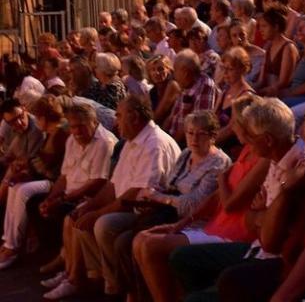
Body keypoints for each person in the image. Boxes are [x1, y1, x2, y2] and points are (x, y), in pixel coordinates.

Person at [171, 92, 305, 302]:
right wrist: (275, 201)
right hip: (286, 257)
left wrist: (281, 297)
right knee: (188, 264)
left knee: (224, 284)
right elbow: (270, 239)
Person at [131, 96, 270, 302]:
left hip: (233, 232)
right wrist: (183, 222)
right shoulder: (247, 151)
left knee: (151, 246)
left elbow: (230, 204)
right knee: (140, 240)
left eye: (235, 121)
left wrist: (222, 179)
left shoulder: (259, 157)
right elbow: (215, 198)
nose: (231, 127)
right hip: (215, 225)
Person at [43, 96, 181, 299]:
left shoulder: (154, 143)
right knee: (80, 216)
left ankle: (116, 287)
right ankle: (98, 279)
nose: (116, 120)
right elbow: (113, 184)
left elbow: (138, 193)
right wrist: (90, 206)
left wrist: (98, 212)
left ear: (134, 117)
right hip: (130, 206)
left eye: (119, 115)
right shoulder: (132, 141)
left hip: (151, 211)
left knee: (104, 223)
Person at [37, 103, 118, 294]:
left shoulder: (104, 143)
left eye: (81, 126)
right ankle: (67, 268)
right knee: (40, 204)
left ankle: (74, 277)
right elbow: (64, 176)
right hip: (71, 194)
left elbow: (98, 182)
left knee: (71, 219)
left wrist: (64, 198)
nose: (77, 131)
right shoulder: (72, 140)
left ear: (94, 122)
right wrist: (51, 198)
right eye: (73, 126)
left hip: (91, 196)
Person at [0, 96, 68, 268]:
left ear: (44, 118)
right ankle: (8, 242)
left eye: (37, 117)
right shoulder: (52, 133)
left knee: (23, 191)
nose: (35, 121)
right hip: (47, 176)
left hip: (56, 181)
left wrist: (25, 167)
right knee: (14, 186)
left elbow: (44, 164)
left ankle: (13, 247)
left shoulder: (58, 134)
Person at [165, 50, 216, 146]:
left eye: (175, 70)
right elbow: (173, 116)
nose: (173, 74)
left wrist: (171, 145)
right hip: (171, 137)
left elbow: (196, 125)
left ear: (185, 73)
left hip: (183, 144)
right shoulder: (186, 84)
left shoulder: (205, 86)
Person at [212, 47, 255, 153]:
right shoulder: (225, 91)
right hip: (216, 142)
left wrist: (208, 142)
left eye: (230, 69)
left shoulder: (246, 96)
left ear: (242, 69)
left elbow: (231, 129)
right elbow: (212, 117)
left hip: (230, 149)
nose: (225, 73)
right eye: (224, 68)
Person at [255, 7, 299, 97]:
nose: (261, 30)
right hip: (267, 91)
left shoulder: (288, 47)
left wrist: (263, 92)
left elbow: (283, 82)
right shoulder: (268, 46)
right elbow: (261, 80)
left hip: (281, 94)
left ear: (276, 27)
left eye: (264, 26)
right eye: (260, 26)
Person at [146, 55, 181, 127]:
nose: (157, 73)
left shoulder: (172, 85)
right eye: (153, 70)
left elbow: (159, 114)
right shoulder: (152, 91)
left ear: (169, 70)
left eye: (160, 69)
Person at [229, 19, 264, 86]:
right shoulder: (230, 55)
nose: (239, 39)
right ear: (231, 39)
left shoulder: (260, 55)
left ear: (247, 35)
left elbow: (256, 81)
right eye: (234, 36)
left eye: (242, 35)